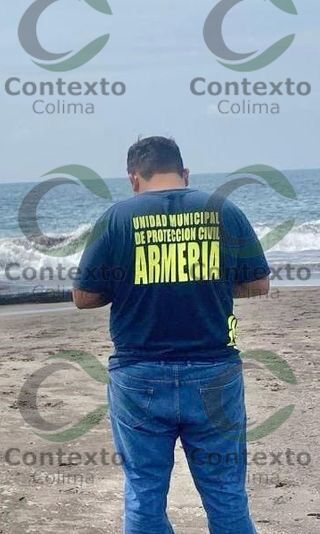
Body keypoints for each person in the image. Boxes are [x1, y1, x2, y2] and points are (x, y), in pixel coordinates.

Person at [73, 136, 270, 533]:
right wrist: (208, 283)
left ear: (134, 178)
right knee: (226, 493)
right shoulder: (223, 210)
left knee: (144, 493)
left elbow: (83, 296)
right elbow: (259, 284)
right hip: (214, 371)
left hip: (138, 372)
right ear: (184, 173)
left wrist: (132, 286)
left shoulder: (117, 218)